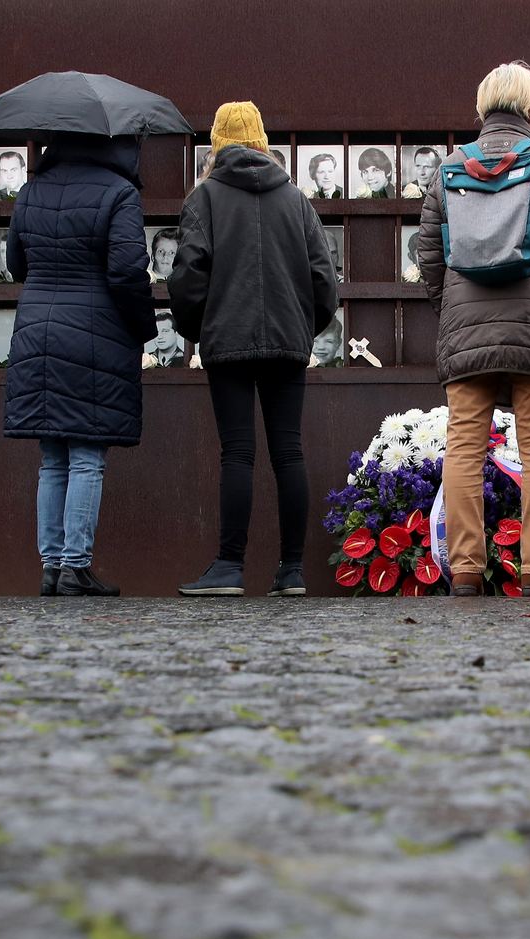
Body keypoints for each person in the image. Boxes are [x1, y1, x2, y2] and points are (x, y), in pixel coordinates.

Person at [418, 63, 530, 597]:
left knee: (464, 444)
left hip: (467, 329)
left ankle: (467, 569)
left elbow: (428, 254)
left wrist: (450, 307)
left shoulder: (448, 169)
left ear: (482, 109)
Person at [170, 101, 338, 597]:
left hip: (228, 339)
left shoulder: (205, 200)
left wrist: (198, 327)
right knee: (289, 451)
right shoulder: (297, 199)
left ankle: (229, 566)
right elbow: (324, 279)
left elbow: (187, 275)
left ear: (217, 143)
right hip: (288, 340)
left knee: (237, 453)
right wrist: (306, 327)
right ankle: (291, 571)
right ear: (263, 142)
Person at [3, 132, 158, 597]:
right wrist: (144, 326)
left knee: (52, 457)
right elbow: (128, 270)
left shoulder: (31, 191)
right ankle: (76, 565)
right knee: (88, 453)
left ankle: (52, 566)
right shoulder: (118, 192)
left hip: (37, 330)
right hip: (96, 332)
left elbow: (15, 264)